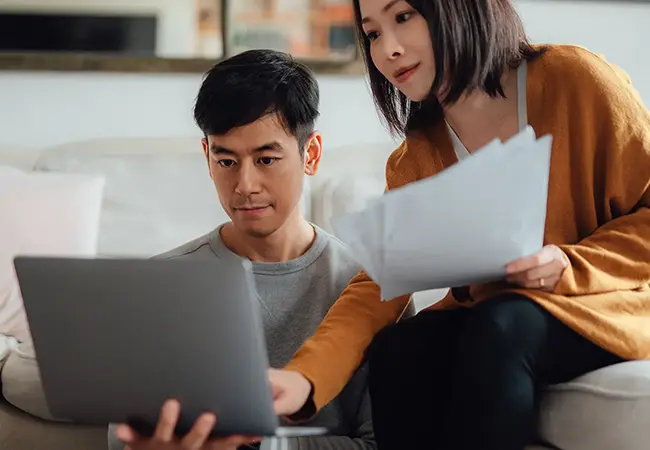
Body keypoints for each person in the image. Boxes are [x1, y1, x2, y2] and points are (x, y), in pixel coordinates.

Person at [267, 1, 650, 449]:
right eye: (372, 34)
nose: (388, 48)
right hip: (499, 320)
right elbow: (378, 287)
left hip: (608, 303)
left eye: (404, 17)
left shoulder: (578, 81)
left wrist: (568, 264)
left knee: (503, 323)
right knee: (400, 350)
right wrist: (305, 378)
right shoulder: (416, 156)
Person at [108, 48, 393, 450]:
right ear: (207, 158)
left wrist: (252, 447)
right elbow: (122, 439)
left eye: (266, 159)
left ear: (309, 154)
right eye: (227, 162)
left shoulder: (368, 286)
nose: (245, 185)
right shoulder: (162, 281)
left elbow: (382, 443)